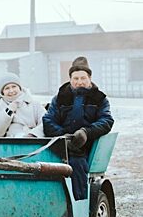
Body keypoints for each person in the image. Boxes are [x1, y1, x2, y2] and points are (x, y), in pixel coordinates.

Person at [43, 56, 114, 200]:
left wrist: (86, 132)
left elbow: (106, 120)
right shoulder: (60, 97)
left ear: (89, 78)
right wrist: (64, 136)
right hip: (61, 144)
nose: (79, 82)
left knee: (76, 165)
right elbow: (48, 120)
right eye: (75, 78)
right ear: (70, 79)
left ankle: (79, 207)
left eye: (83, 78)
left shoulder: (99, 99)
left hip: (86, 147)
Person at [0, 72, 46, 137]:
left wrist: (33, 134)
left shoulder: (34, 104)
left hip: (32, 142)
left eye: (14, 86)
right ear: (2, 92)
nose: (11, 91)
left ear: (20, 88)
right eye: (7, 88)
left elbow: (45, 122)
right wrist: (8, 111)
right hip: (9, 143)